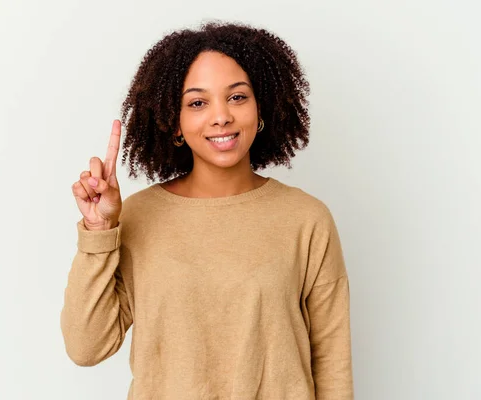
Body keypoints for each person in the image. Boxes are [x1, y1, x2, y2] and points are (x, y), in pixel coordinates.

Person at [61, 21, 353, 400]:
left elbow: (332, 363)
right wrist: (98, 231)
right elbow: (86, 348)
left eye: (237, 97)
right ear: (176, 124)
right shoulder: (136, 217)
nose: (221, 117)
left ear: (260, 107)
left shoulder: (307, 219)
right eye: (198, 102)